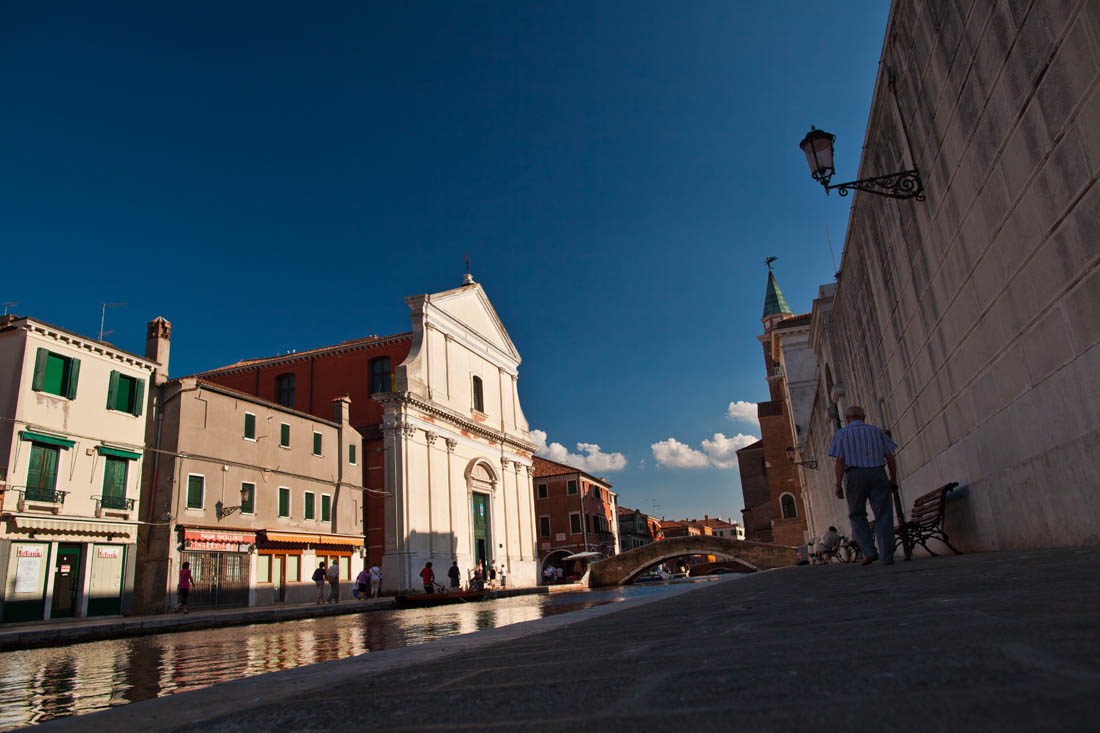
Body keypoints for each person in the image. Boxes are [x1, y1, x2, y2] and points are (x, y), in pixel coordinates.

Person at [830, 404, 900, 566]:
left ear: (847, 419)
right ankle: (887, 555)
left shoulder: (842, 434)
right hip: (877, 472)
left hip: (854, 475)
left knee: (857, 514)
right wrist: (893, 479)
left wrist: (838, 484)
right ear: (864, 417)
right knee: (884, 514)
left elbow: (840, 461)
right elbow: (890, 457)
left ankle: (869, 552)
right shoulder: (877, 432)